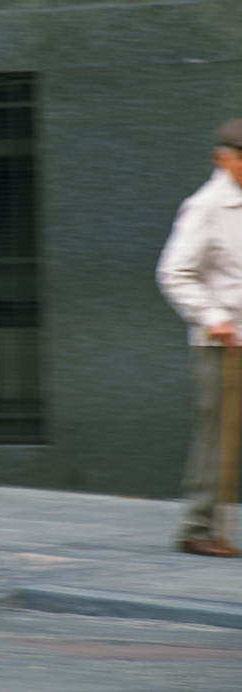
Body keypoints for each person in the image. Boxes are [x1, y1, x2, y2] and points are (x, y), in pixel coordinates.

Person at [157, 118, 242, 558]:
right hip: (224, 346)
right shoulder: (205, 207)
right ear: (222, 159)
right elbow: (174, 272)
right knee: (217, 438)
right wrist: (213, 318)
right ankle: (197, 527)